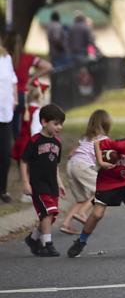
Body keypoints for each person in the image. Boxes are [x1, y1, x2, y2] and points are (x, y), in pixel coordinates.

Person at [67, 112, 125, 258]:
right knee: (97, 214)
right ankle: (81, 241)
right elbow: (98, 143)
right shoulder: (122, 145)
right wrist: (100, 162)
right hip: (108, 181)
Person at [21, 104, 67, 256]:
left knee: (51, 216)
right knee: (47, 213)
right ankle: (47, 244)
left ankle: (33, 239)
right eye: (55, 123)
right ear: (44, 122)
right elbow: (24, 161)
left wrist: (60, 183)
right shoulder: (35, 140)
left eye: (61, 124)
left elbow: (55, 166)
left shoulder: (57, 143)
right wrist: (26, 182)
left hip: (52, 184)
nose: (59, 127)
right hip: (38, 185)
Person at [59, 109, 112, 235]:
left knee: (81, 199)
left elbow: (72, 152)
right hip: (82, 166)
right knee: (102, 190)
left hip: (71, 166)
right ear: (106, 125)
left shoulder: (85, 137)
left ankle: (66, 223)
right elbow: (105, 158)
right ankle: (82, 213)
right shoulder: (105, 140)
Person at [0, 39, 17, 203]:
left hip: (5, 113)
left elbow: (13, 79)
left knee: (5, 154)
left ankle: (3, 189)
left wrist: (15, 98)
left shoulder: (6, 58)